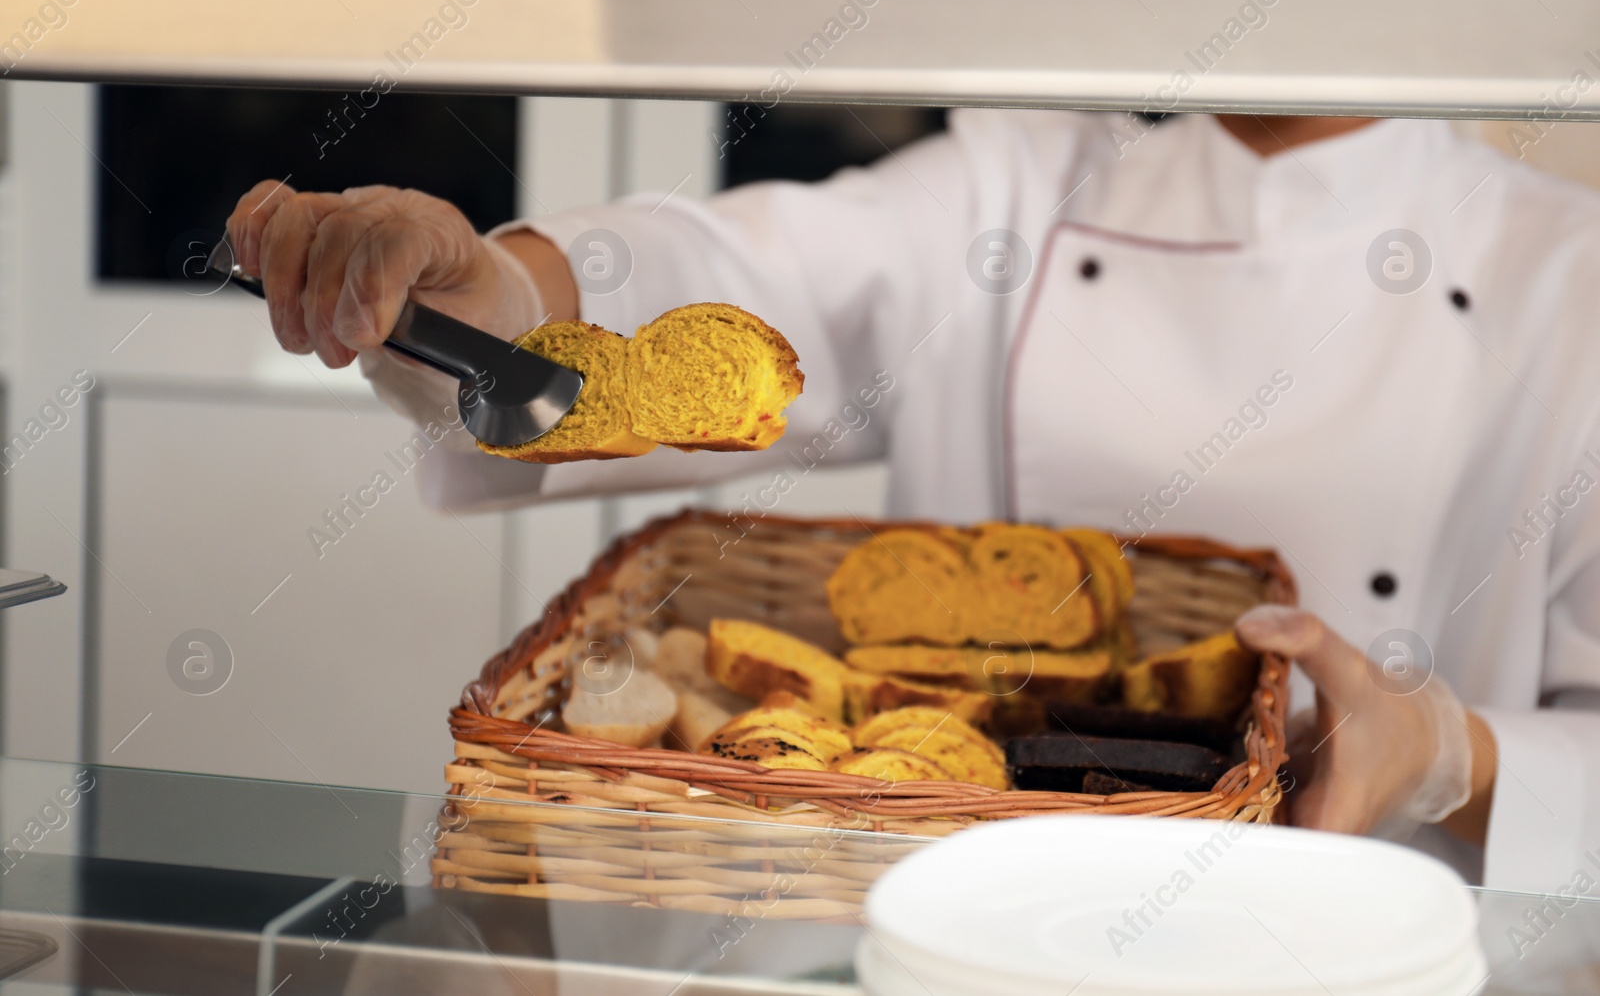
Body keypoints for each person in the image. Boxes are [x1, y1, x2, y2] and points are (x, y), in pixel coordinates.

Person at [227, 109, 1600, 895]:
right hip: (965, 935)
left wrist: (1449, 753)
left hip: (1379, 951)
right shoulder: (1018, 186)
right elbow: (722, 276)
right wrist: (493, 300)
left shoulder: (1565, 274)